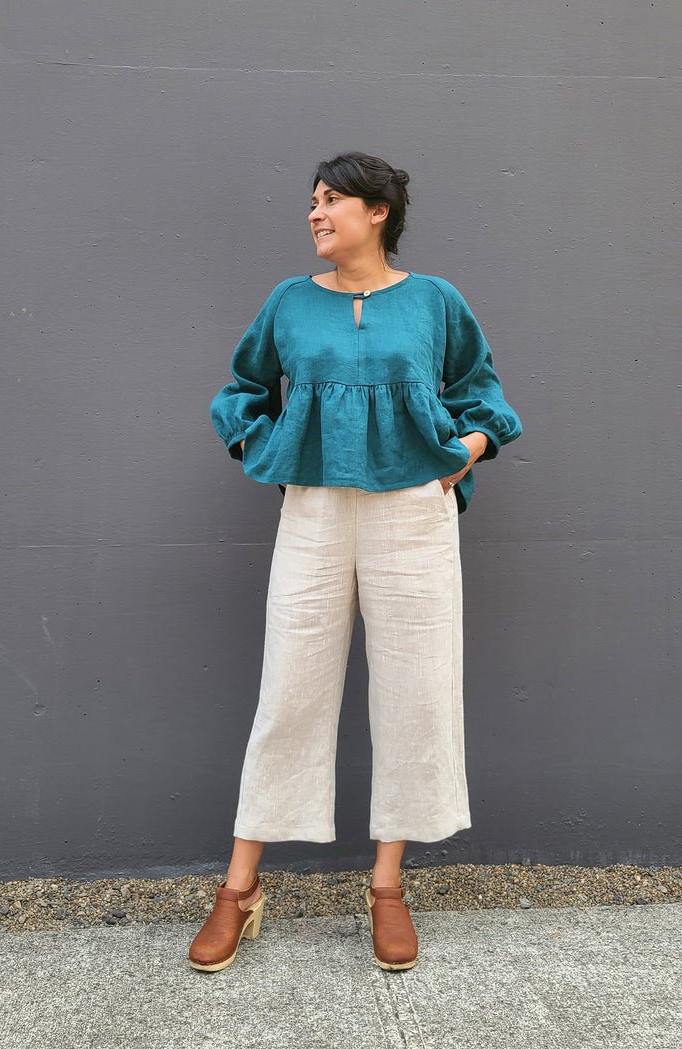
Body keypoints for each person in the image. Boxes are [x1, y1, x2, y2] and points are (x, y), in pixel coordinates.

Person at [188, 151, 523, 974]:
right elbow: (240, 390)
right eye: (312, 200)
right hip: (315, 511)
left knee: (416, 689)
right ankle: (239, 886)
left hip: (412, 510)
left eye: (333, 199)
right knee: (289, 689)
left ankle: (386, 885)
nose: (315, 212)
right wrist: (263, 446)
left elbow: (483, 391)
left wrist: (468, 449)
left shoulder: (435, 300)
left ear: (378, 212)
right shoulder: (290, 302)